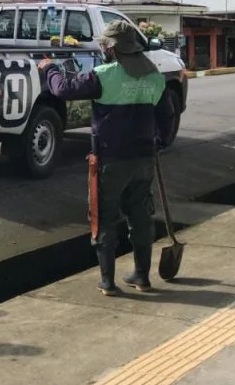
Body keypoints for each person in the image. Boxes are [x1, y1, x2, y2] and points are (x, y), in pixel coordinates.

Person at [39, 20, 174, 296]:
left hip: (111, 161)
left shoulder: (103, 76)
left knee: (105, 217)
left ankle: (107, 281)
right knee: (141, 216)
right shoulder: (155, 77)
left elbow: (63, 89)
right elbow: (167, 117)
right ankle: (141, 277)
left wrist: (49, 68)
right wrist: (160, 143)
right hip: (144, 160)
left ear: (111, 49)